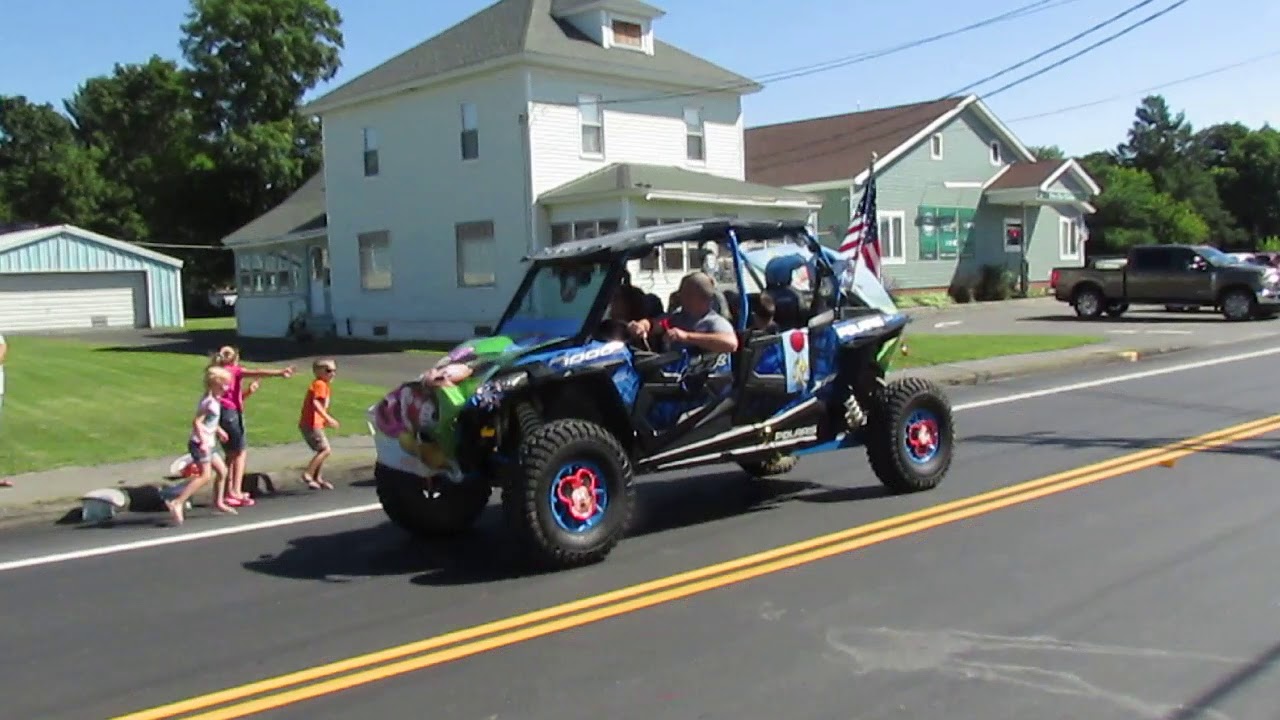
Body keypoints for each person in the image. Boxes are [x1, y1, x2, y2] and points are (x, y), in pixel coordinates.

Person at [210, 346, 296, 508]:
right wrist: (279, 372)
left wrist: (249, 392)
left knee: (231, 454)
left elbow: (234, 398)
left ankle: (229, 491)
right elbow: (257, 372)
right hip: (232, 415)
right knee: (239, 452)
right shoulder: (233, 370)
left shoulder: (217, 373)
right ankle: (234, 490)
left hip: (224, 414)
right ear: (235, 358)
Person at [166, 366, 236, 525]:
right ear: (216, 384)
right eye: (225, 384)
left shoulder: (215, 400)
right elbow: (196, 422)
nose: (228, 387)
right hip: (201, 444)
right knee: (205, 475)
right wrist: (203, 441)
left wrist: (219, 430)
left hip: (210, 442)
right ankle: (178, 502)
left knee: (222, 471)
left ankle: (218, 502)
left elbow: (209, 421)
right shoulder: (209, 402)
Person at [627, 272, 739, 355]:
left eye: (688, 294)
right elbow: (654, 324)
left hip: (706, 381)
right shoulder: (676, 317)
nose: (681, 297)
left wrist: (686, 337)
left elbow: (731, 343)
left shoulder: (714, 321)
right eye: (682, 293)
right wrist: (641, 326)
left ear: (704, 298)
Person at [299, 358, 340, 489]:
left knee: (321, 450)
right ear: (318, 372)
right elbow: (316, 403)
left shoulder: (323, 385)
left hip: (316, 422)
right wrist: (327, 418)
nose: (332, 373)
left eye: (334, 370)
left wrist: (324, 420)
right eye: (328, 371)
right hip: (311, 423)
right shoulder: (320, 384)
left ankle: (318, 478)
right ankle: (308, 474)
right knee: (325, 450)